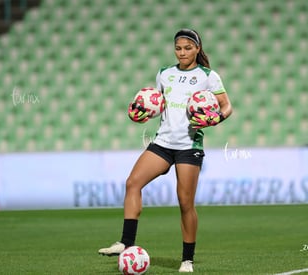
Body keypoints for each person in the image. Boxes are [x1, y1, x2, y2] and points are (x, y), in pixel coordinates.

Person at [98, 28, 232, 272]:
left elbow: (226, 106)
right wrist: (142, 112)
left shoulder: (208, 76)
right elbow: (157, 104)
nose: (182, 52)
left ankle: (187, 260)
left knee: (185, 203)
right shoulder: (164, 74)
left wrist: (214, 120)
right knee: (132, 183)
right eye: (178, 48)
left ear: (198, 49)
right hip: (162, 143)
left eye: (188, 48)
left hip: (188, 146)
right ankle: (126, 242)